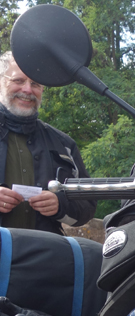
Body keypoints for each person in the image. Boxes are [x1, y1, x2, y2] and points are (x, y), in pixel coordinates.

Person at [0, 52, 96, 233]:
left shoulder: (63, 144)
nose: (27, 90)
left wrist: (60, 205)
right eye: (18, 81)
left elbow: (88, 205)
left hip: (45, 249)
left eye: (35, 83)